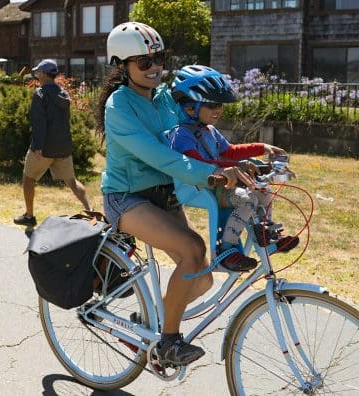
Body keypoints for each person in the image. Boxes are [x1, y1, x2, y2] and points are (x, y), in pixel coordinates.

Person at [97, 22, 253, 367]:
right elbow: (159, 155)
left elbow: (198, 131)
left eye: (159, 59)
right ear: (122, 66)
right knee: (192, 249)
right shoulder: (119, 107)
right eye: (144, 62)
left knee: (203, 275)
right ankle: (168, 342)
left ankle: (149, 325)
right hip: (127, 197)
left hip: (163, 195)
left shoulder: (166, 98)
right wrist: (210, 173)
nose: (154, 68)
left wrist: (241, 157)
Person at [167, 65, 299, 271]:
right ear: (190, 108)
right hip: (201, 186)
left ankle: (268, 236)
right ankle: (226, 250)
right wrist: (236, 166)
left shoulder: (209, 130)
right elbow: (199, 165)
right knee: (246, 199)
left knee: (263, 190)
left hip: (221, 183)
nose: (218, 109)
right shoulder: (181, 134)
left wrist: (261, 147)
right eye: (211, 104)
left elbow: (230, 151)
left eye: (219, 104)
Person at [13, 59, 91, 227]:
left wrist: (38, 146)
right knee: (72, 182)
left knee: (28, 179)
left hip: (44, 148)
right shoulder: (64, 94)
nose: (36, 76)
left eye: (37, 73)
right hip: (63, 147)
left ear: (43, 74)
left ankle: (29, 215)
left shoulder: (40, 94)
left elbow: (39, 122)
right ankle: (91, 213)